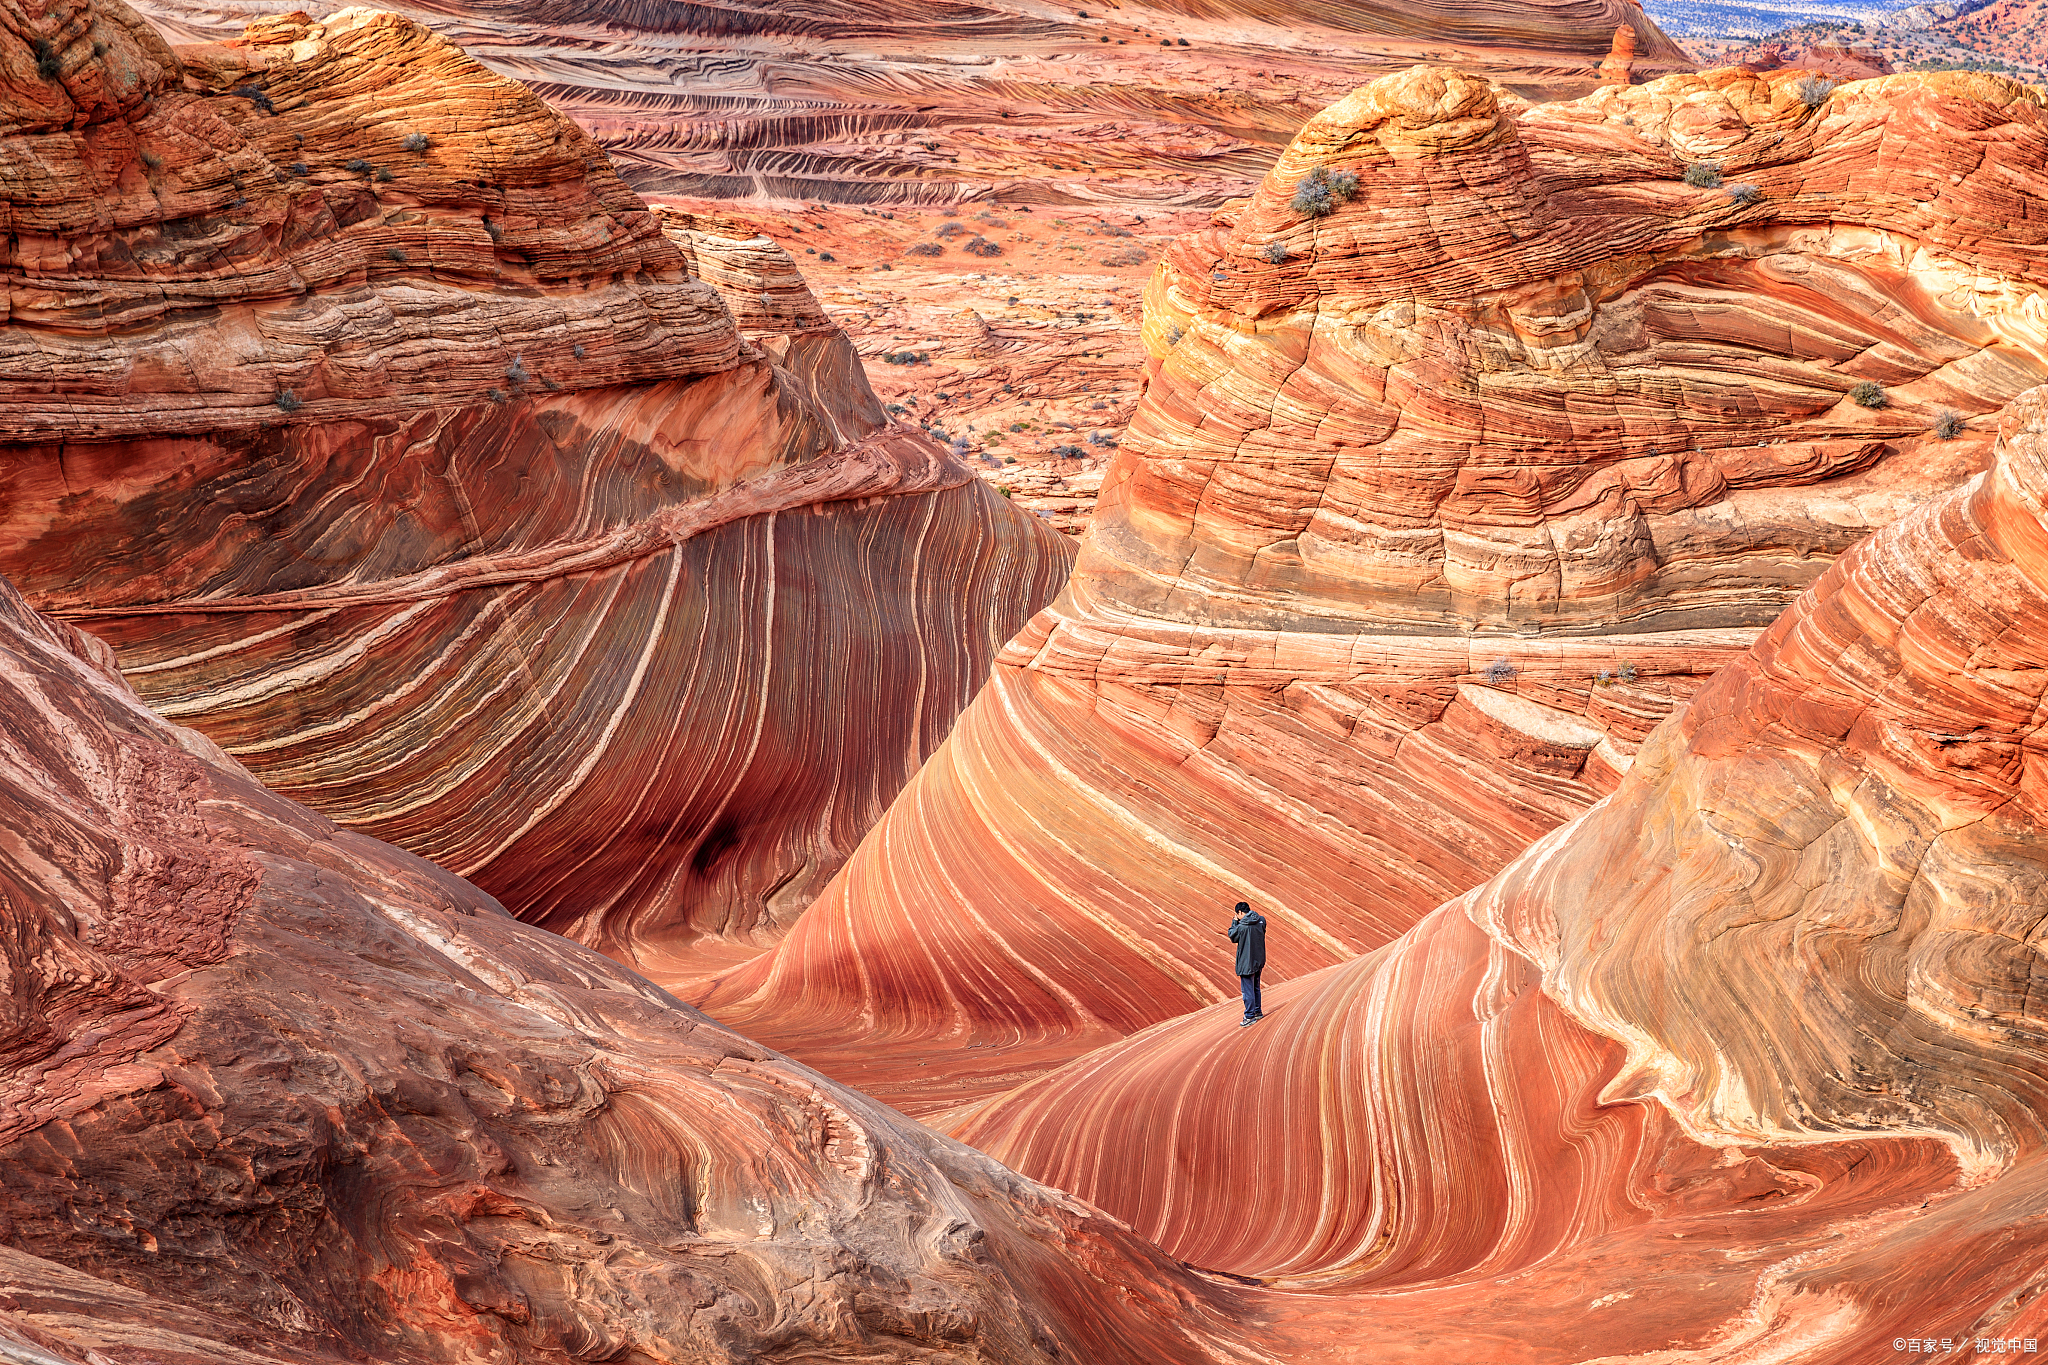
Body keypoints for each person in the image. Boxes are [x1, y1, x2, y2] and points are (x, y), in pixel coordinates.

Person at [1224, 901, 1266, 1026]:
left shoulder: (1242, 926)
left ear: (1240, 913)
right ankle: (1257, 1011)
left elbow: (1232, 935)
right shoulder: (1261, 920)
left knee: (1247, 991)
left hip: (1246, 963)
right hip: (1258, 960)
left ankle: (1249, 1016)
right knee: (1256, 987)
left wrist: (1234, 921)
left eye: (1237, 914)